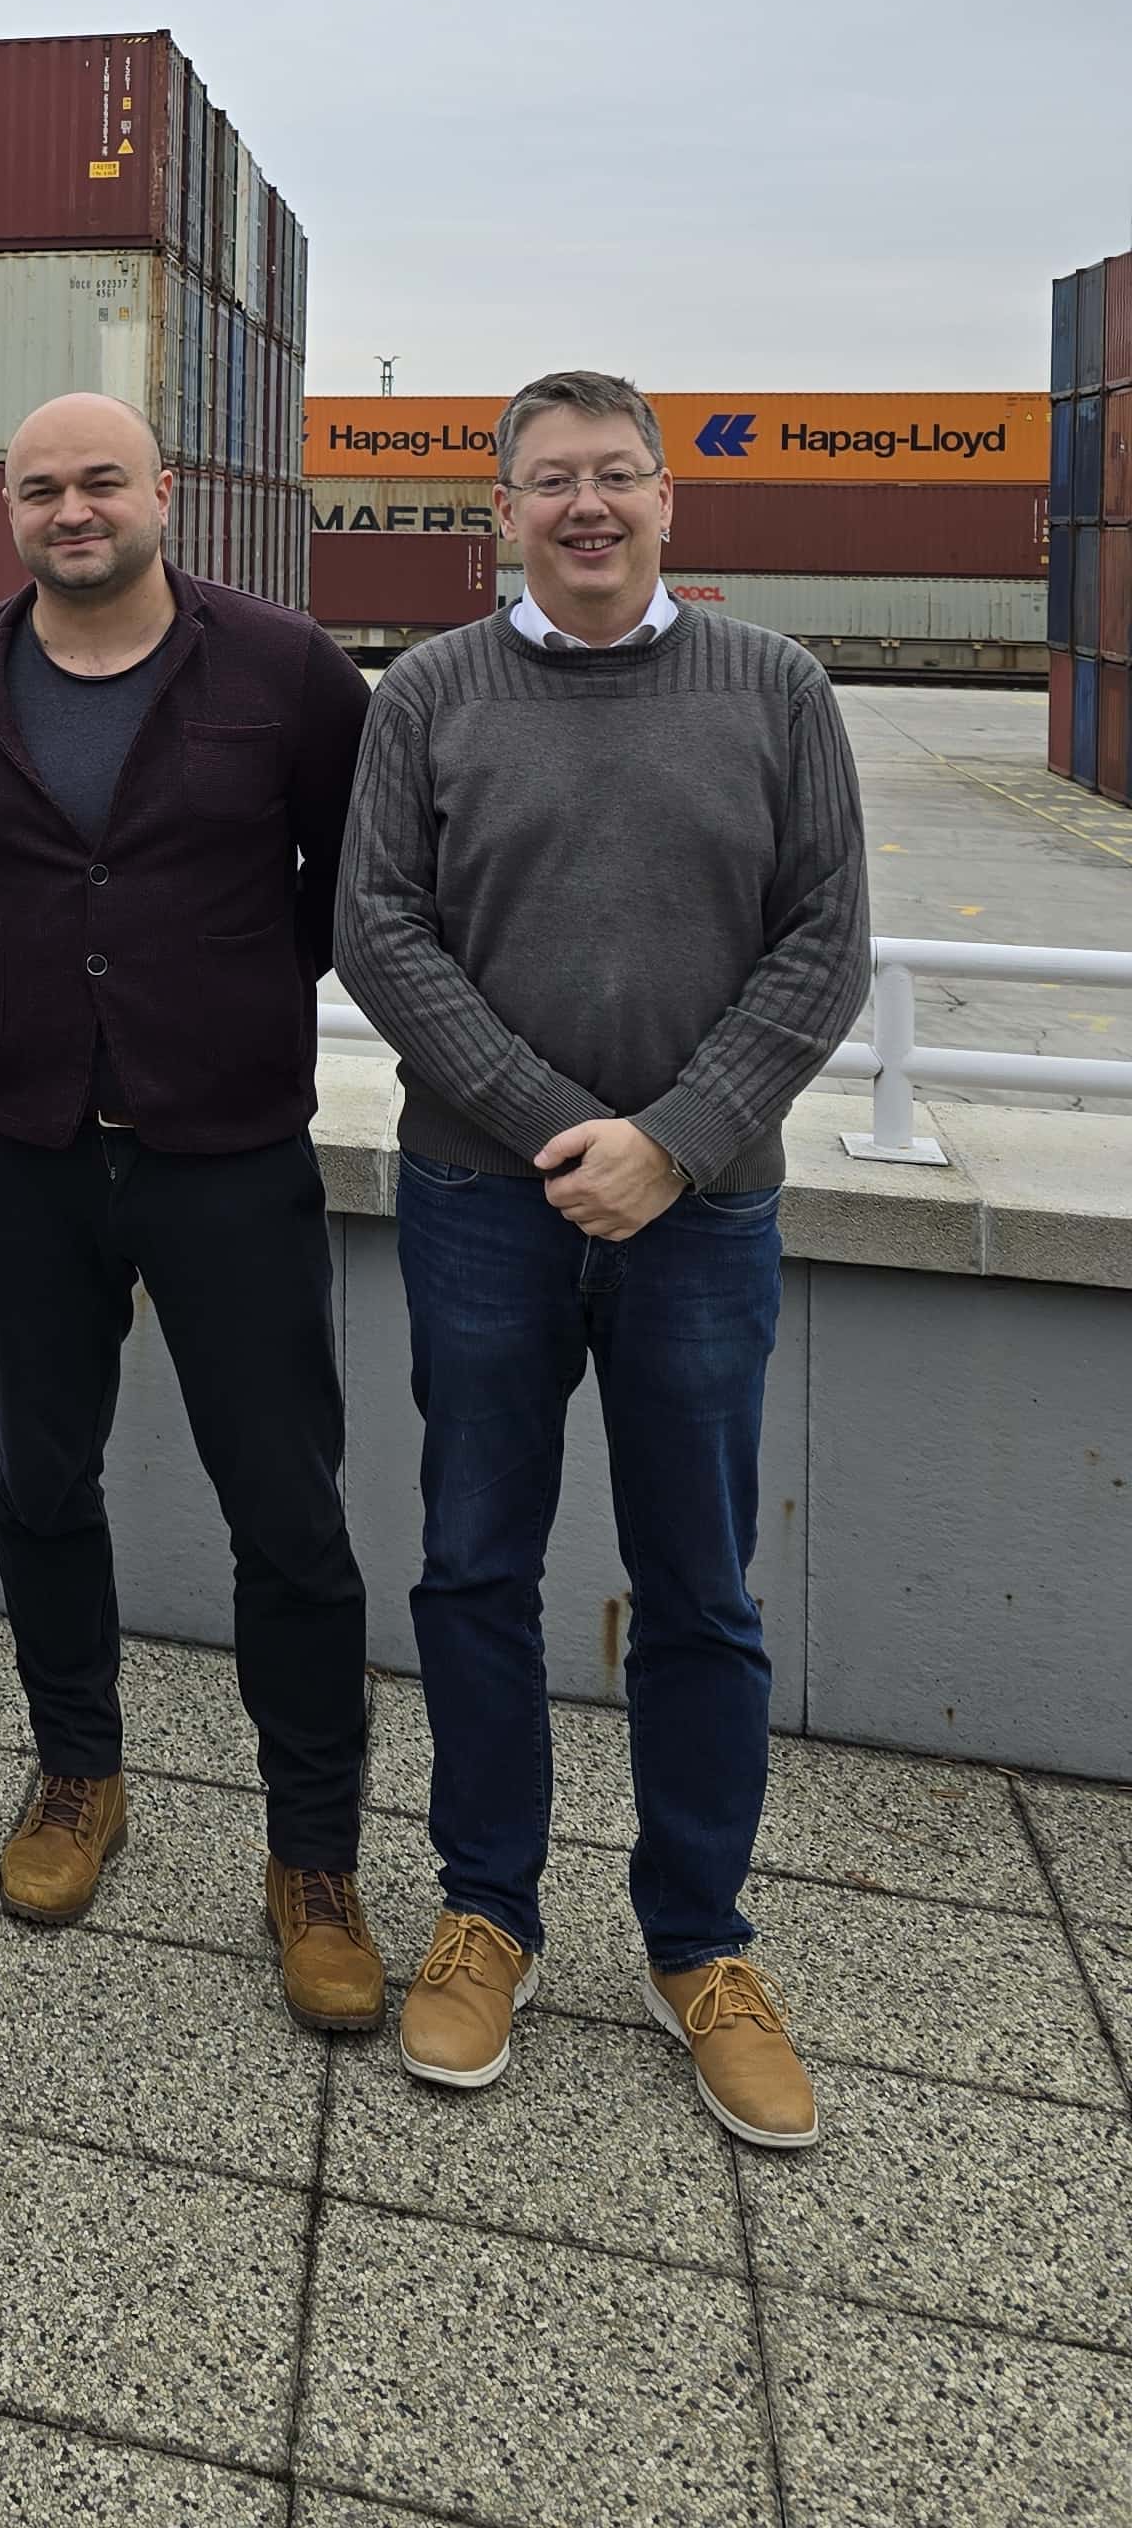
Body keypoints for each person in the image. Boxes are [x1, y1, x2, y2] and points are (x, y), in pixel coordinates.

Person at [337, 369, 868, 2148]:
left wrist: (674, 1142)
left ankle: (698, 1943)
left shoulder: (777, 688)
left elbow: (824, 945)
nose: (586, 506)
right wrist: (569, 1130)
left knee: (700, 1588)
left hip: (703, 1214)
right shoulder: (426, 694)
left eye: (617, 477)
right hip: (482, 1205)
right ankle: (486, 1910)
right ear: (500, 512)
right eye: (551, 480)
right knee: (474, 1564)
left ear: (667, 503)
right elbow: (378, 933)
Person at [0, 394, 383, 2032]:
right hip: (24, 1143)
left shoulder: (290, 673)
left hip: (228, 1150)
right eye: (41, 488)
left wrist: (206, 993)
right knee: (41, 1477)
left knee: (288, 1512)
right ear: (8, 509)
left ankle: (314, 1857)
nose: (73, 510)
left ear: (166, 492)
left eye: (102, 481)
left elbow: (341, 883)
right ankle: (77, 1772)